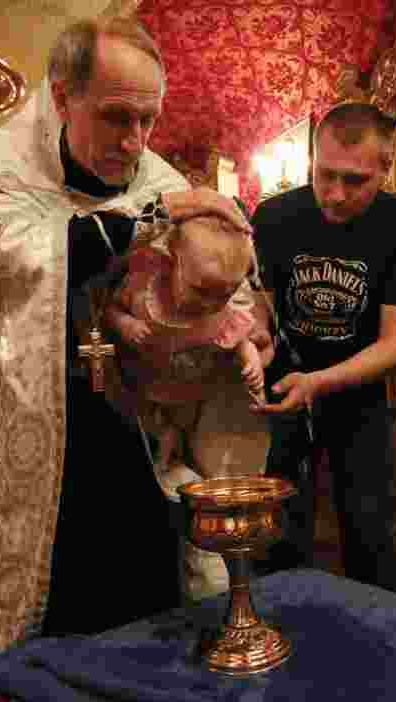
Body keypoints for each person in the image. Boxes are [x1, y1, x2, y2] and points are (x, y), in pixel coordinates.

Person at [0, 17, 251, 701]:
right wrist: (156, 217)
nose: (135, 142)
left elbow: (224, 290)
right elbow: (20, 267)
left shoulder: (159, 178)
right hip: (44, 443)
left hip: (137, 438)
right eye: (115, 117)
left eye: (149, 120)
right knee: (54, 638)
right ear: (62, 97)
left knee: (144, 622)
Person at [251, 102, 396, 594]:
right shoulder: (271, 217)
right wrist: (258, 342)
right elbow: (256, 309)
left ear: (384, 169)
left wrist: (319, 382)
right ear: (311, 158)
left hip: (358, 394)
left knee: (367, 528)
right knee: (279, 528)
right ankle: (279, 633)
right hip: (282, 390)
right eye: (324, 175)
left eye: (355, 181)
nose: (334, 194)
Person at [105, 213, 274, 600]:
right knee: (160, 467)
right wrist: (125, 325)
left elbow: (240, 338)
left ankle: (212, 579)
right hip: (147, 401)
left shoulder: (222, 303)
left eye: (225, 294)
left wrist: (248, 358)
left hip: (196, 400)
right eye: (202, 291)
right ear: (170, 261)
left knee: (207, 477)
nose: (213, 304)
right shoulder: (144, 287)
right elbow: (109, 311)